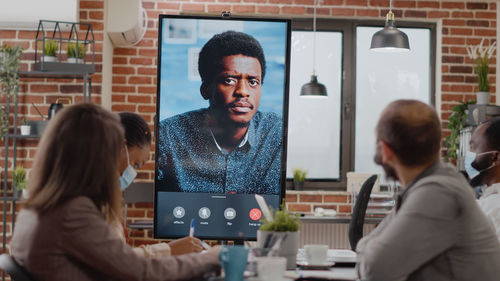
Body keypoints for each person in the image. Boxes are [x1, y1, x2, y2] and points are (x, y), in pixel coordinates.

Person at [10, 103, 219, 281]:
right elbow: (140, 272)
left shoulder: (42, 209)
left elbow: (120, 261)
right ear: (94, 157)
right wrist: (212, 257)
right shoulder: (73, 212)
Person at [356, 100, 500, 281]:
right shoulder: (432, 185)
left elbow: (374, 270)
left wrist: (364, 248)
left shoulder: (439, 192)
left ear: (385, 150)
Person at [157, 31, 282, 194]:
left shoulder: (276, 133)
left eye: (253, 82)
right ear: (205, 90)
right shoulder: (169, 135)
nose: (243, 91)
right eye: (229, 80)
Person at [115, 112, 203, 257]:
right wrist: (170, 250)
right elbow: (118, 260)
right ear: (121, 147)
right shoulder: (93, 204)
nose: (132, 174)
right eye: (135, 164)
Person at [466, 116, 500, 240]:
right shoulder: (488, 201)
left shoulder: (493, 208)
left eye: (473, 147)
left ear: (495, 157)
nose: (468, 156)